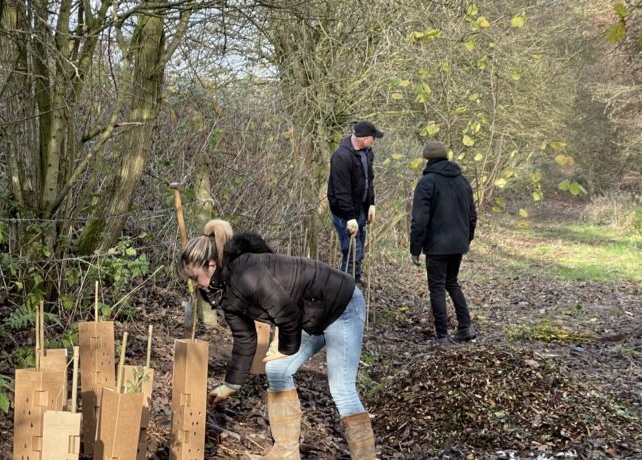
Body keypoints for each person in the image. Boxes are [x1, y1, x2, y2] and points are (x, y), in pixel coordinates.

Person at [179, 219, 375, 460]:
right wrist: (231, 385)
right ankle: (285, 452)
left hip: (341, 304)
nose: (194, 284)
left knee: (341, 388)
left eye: (195, 277)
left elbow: (287, 314)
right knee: (278, 369)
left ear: (211, 266)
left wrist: (286, 347)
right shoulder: (222, 292)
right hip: (311, 311)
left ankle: (365, 457)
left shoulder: (245, 273)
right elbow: (244, 338)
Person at [409, 141, 478, 344]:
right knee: (451, 283)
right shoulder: (462, 181)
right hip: (458, 243)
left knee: (437, 287)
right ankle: (466, 326)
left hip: (437, 245)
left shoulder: (427, 182)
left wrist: (415, 248)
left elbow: (419, 219)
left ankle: (442, 335)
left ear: (427, 159)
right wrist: (466, 238)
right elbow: (472, 215)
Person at [328, 120, 382, 284]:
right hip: (345, 213)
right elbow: (341, 191)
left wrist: (371, 203)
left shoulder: (367, 153)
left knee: (359, 254)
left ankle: (354, 284)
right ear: (364, 138)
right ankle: (346, 291)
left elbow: (369, 180)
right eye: (373, 137)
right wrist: (349, 217)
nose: (374, 140)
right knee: (352, 252)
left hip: (361, 209)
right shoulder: (341, 157)